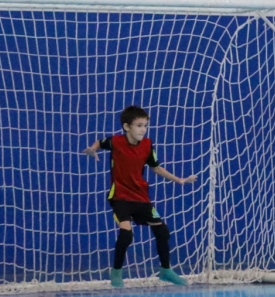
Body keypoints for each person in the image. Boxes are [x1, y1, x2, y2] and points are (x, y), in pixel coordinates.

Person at [84, 105, 197, 287]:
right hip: (120, 197)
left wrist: (179, 180)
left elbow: (156, 167)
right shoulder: (116, 142)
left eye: (145, 126)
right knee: (126, 234)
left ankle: (165, 271)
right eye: (139, 125)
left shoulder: (147, 145)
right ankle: (116, 274)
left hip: (141, 197)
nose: (143, 130)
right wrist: (92, 148)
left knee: (162, 231)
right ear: (126, 127)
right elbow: (100, 142)